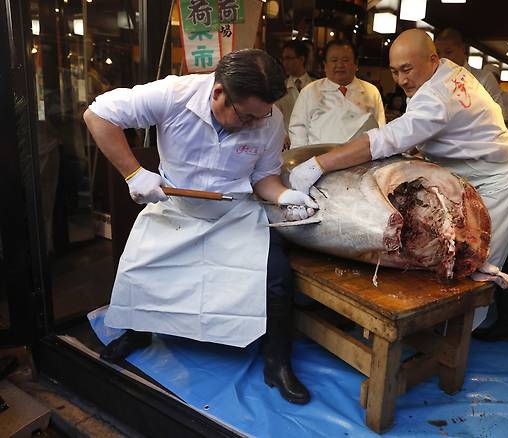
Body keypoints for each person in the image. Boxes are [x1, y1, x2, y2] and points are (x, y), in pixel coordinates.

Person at [83, 49, 318, 405]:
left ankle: (277, 362)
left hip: (233, 212)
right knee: (140, 266)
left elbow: (264, 177)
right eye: (247, 116)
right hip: (175, 207)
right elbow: (97, 115)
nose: (256, 123)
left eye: (262, 115)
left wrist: (284, 195)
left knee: (278, 277)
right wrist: (133, 173)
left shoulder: (269, 119)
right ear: (218, 92)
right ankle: (138, 332)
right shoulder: (173, 94)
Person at [287, 29, 508, 337]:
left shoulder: (437, 97)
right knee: (464, 253)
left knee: (471, 258)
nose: (401, 80)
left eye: (407, 69)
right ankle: (455, 328)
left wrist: (318, 164)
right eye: (394, 71)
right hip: (463, 171)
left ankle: (454, 339)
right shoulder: (443, 74)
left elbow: (384, 138)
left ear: (432, 59)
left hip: (495, 179)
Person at [288, 39, 385, 148]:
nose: (340, 65)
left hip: (361, 159)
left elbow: (380, 129)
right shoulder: (309, 91)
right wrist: (304, 160)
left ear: (356, 63)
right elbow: (298, 129)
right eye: (334, 60)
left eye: (346, 60)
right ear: (325, 64)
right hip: (319, 159)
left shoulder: (371, 91)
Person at [435, 28, 508, 120]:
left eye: (448, 52)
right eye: (438, 53)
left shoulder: (484, 78)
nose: (442, 58)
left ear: (462, 49)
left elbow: (500, 116)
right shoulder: (434, 79)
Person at [275, 40, 315, 133]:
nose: (285, 63)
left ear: (301, 59)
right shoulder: (279, 87)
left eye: (288, 58)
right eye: (283, 59)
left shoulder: (316, 85)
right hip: (286, 142)